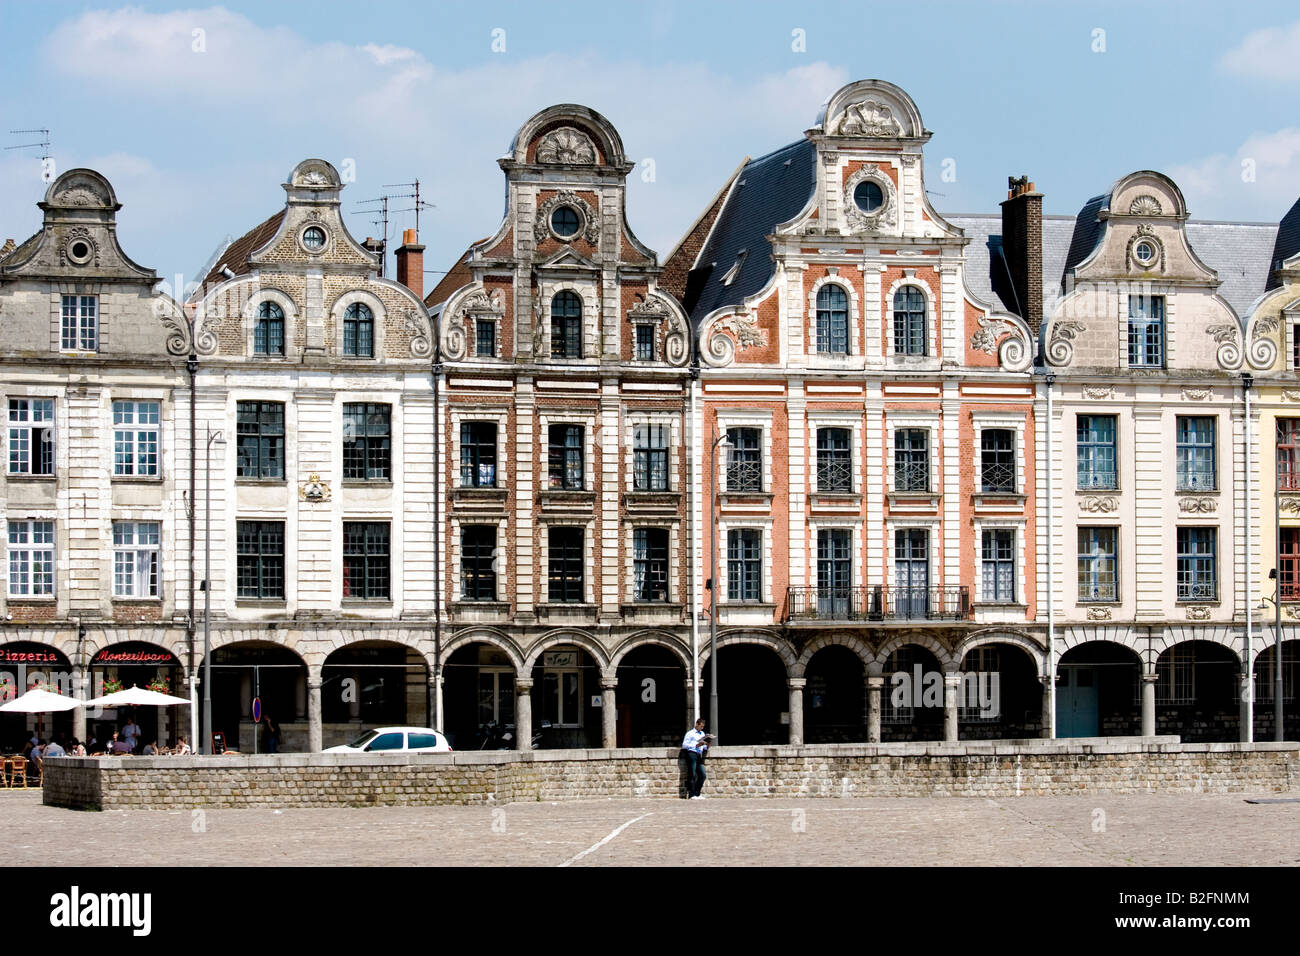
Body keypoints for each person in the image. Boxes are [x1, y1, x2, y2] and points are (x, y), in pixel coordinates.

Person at [681, 718, 713, 799]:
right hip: (691, 753)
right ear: (697, 724)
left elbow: (704, 747)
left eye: (703, 727)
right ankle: (691, 794)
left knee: (702, 775)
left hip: (699, 755)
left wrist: (707, 744)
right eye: (701, 726)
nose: (702, 728)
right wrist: (696, 745)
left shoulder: (702, 733)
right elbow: (684, 745)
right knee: (692, 774)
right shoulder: (690, 733)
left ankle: (697, 793)